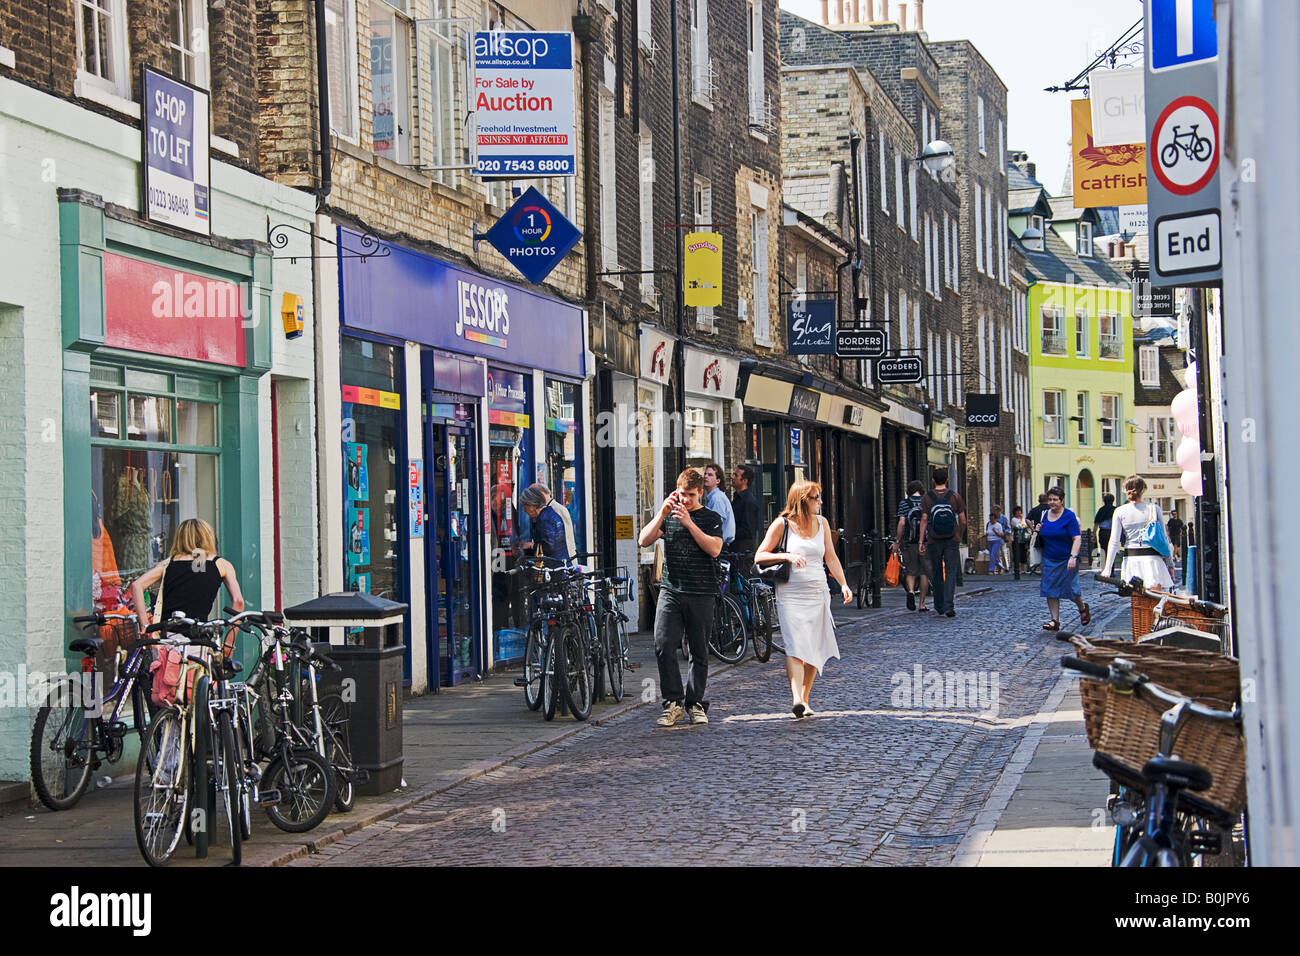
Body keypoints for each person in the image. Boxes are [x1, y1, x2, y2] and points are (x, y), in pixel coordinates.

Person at [755, 480, 852, 718]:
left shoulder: (822, 523)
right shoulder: (782, 524)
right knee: (796, 645)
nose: (820, 501)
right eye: (815, 497)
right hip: (791, 594)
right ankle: (796, 698)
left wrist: (844, 584)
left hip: (818, 593)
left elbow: (831, 558)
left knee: (813, 648)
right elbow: (760, 555)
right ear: (801, 500)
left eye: (819, 497)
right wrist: (787, 556)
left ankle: (806, 699)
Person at [638, 468, 724, 727]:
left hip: (701, 591)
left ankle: (695, 703)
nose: (684, 500)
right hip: (671, 590)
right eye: (681, 494)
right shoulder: (670, 515)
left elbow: (715, 549)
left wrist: (689, 522)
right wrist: (662, 514)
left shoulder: (710, 517)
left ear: (699, 494)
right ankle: (673, 702)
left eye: (690, 495)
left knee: (698, 650)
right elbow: (643, 540)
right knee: (663, 644)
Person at [129, 518, 245, 654]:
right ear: (208, 537)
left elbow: (136, 585)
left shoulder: (169, 563)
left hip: (169, 640)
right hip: (199, 639)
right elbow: (238, 602)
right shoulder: (221, 565)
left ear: (180, 538)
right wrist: (229, 645)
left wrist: (145, 625)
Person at [1101, 476, 1176, 590]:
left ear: (1125, 490)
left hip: (1132, 560)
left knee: (1138, 605)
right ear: (1143, 490)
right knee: (1155, 602)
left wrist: (1107, 568)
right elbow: (1164, 539)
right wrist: (1170, 564)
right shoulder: (1154, 509)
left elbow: (1114, 541)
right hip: (1153, 560)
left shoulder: (1120, 511)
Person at [1037, 487, 1089, 631]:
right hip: (1049, 558)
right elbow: (1043, 534)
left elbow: (1077, 538)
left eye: (1055, 499)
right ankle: (1055, 620)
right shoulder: (1045, 514)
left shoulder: (1069, 516)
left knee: (1072, 590)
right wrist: (1038, 529)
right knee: (1050, 589)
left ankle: (1083, 608)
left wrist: (1073, 557)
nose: (1052, 502)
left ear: (1062, 500)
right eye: (1050, 499)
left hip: (1067, 559)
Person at [918, 468, 967, 618]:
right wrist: (959, 533)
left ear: (932, 479)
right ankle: (949, 605)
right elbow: (963, 519)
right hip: (951, 538)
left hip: (934, 539)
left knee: (937, 571)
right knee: (951, 571)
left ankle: (939, 605)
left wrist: (921, 540)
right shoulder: (955, 496)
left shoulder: (927, 497)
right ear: (947, 480)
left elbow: (924, 519)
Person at [893, 480, 930, 611]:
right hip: (925, 542)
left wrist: (897, 541)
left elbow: (902, 523)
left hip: (909, 542)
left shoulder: (904, 503)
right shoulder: (927, 501)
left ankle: (910, 592)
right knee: (924, 572)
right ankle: (922, 604)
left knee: (910, 570)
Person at [519, 484, 573, 563]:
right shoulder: (548, 513)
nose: (524, 510)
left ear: (531, 505)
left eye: (524, 506)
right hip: (559, 565)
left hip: (554, 568)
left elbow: (548, 547)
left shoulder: (544, 519)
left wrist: (531, 545)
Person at [730, 463, 764, 555]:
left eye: (736, 475)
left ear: (744, 480)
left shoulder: (749, 501)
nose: (732, 477)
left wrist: (728, 532)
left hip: (742, 551)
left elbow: (748, 530)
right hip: (736, 549)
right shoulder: (738, 498)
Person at [703, 463, 736, 546]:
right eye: (705, 474)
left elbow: (715, 525)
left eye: (710, 475)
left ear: (718, 480)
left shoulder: (717, 498)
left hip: (719, 546)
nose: (706, 477)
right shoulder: (715, 497)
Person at [986, 505, 1009, 574]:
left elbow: (1007, 528)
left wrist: (1005, 534)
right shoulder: (989, 523)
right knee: (996, 555)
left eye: (996, 511)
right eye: (993, 511)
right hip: (991, 540)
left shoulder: (1003, 518)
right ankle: (1000, 567)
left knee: (1003, 552)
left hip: (1001, 538)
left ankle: (1005, 567)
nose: (994, 512)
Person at [1094, 493, 1117, 560]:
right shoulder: (1115, 510)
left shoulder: (1101, 510)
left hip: (1103, 532)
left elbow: (1096, 523)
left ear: (1104, 501)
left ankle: (1104, 565)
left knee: (1103, 549)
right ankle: (1111, 566)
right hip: (1113, 532)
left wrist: (1094, 534)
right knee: (1112, 549)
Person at [1010, 505, 1030, 573]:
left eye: (1020, 511)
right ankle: (1016, 569)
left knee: (1023, 554)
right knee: (1016, 554)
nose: (1019, 513)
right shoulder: (1014, 519)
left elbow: (1026, 526)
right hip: (1016, 539)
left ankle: (1023, 569)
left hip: (1023, 539)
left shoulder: (1023, 519)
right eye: (1017, 512)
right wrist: (1022, 521)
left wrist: (1023, 522)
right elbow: (1019, 526)